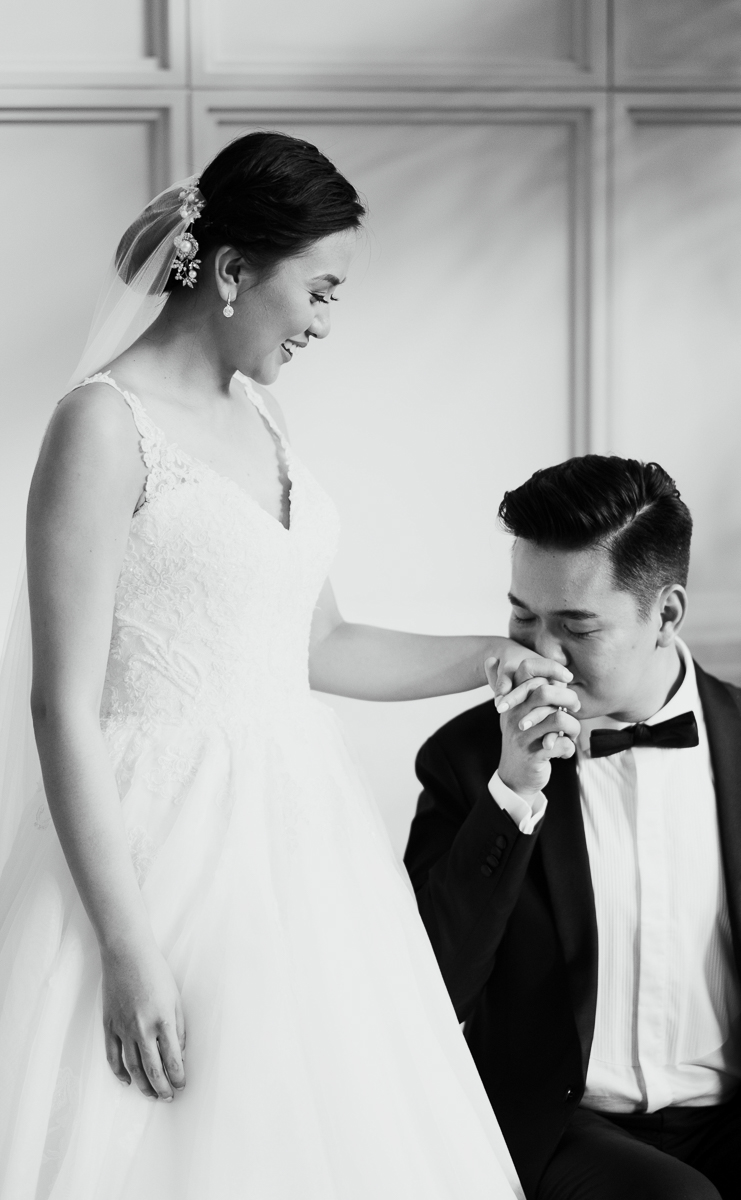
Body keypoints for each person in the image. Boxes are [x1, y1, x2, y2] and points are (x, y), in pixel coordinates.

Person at [0, 131, 572, 1198]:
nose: (323, 322)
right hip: (154, 853)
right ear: (230, 271)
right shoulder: (101, 428)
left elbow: (317, 646)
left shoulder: (263, 415)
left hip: (302, 843)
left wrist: (493, 655)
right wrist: (125, 948)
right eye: (320, 290)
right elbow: (60, 708)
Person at [404, 455, 741, 1200]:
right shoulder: (465, 761)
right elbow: (431, 990)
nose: (540, 655)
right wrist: (513, 794)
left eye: (576, 627)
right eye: (523, 617)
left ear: (666, 615)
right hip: (562, 1127)